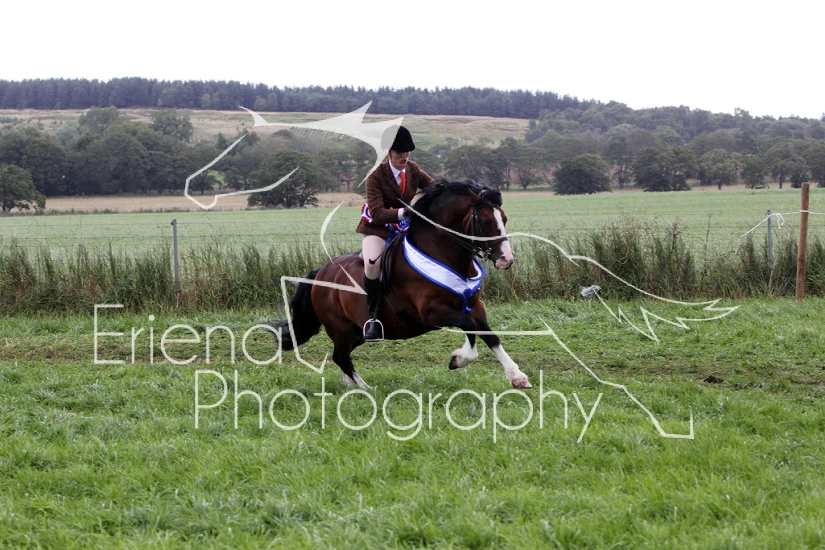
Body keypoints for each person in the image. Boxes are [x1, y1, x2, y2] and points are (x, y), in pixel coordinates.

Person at [356, 125, 435, 341]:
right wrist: (406, 212)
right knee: (372, 263)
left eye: (407, 151)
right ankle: (373, 319)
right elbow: (377, 213)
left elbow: (433, 187)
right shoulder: (375, 176)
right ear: (388, 153)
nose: (405, 156)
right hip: (378, 228)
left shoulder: (413, 168)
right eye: (400, 152)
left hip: (404, 225)